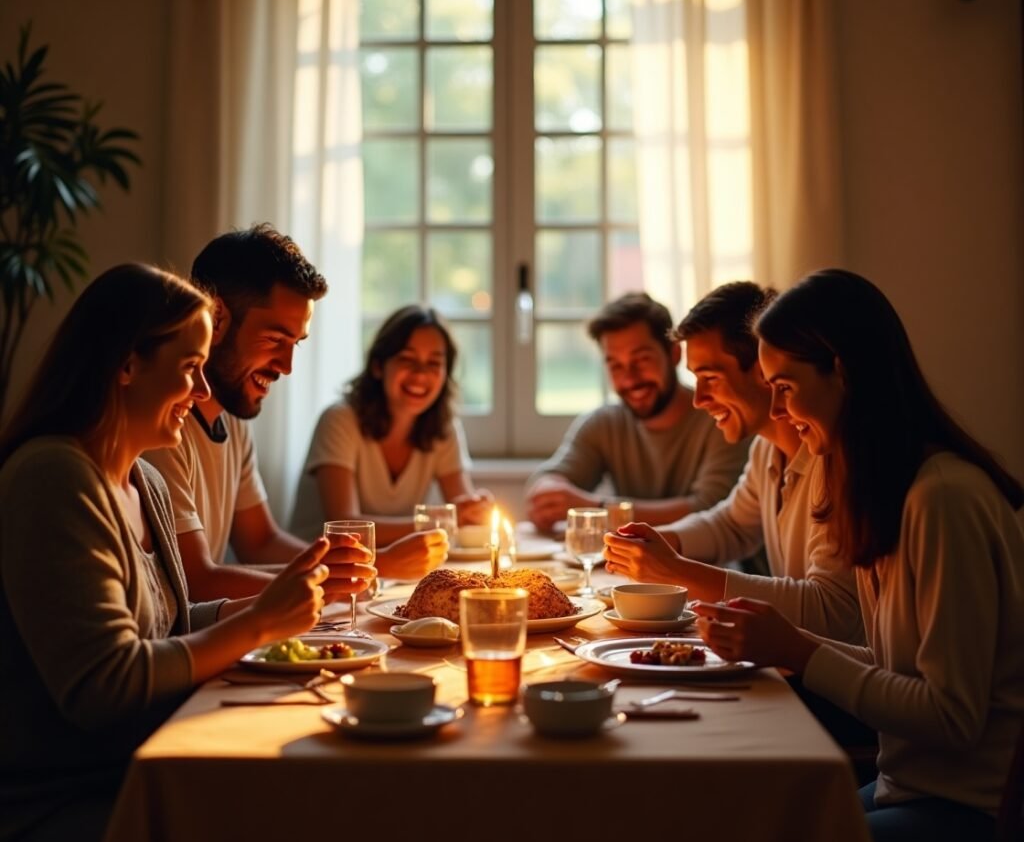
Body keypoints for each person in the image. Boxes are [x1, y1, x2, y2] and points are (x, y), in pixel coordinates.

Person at [0, 264, 372, 842]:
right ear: (125, 364)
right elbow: (105, 683)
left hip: (136, 765)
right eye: (190, 367)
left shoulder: (144, 481)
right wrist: (257, 624)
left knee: (324, 801)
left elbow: (167, 625)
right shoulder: (53, 478)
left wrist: (269, 607)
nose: (203, 390)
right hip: (59, 801)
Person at [691, 269, 1024, 842]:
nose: (776, 411)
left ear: (842, 372)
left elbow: (952, 717)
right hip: (908, 787)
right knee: (744, 836)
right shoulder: (882, 489)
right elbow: (895, 664)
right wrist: (784, 643)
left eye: (785, 387)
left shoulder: (942, 499)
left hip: (969, 814)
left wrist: (800, 651)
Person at [145, 225, 446, 599]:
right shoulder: (161, 425)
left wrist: (352, 566)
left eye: (295, 344)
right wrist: (366, 568)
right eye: (275, 339)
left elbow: (261, 542)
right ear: (216, 318)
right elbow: (195, 581)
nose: (286, 366)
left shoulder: (231, 421)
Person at [603, 281, 861, 643]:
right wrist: (663, 542)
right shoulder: (767, 449)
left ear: (763, 368)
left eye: (710, 378)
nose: (699, 399)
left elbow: (834, 612)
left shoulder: (835, 460)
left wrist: (676, 571)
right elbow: (732, 525)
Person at [526, 292, 750, 532]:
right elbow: (546, 479)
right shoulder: (604, 424)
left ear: (674, 354)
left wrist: (597, 508)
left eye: (642, 359)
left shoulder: (722, 418)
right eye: (616, 366)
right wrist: (548, 493)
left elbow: (710, 511)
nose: (630, 379)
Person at [291, 304, 492, 546]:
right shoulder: (340, 420)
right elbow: (345, 526)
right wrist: (440, 521)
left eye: (434, 363)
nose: (420, 374)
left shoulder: (443, 428)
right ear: (378, 366)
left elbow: (462, 514)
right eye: (407, 359)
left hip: (391, 565)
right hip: (316, 563)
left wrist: (475, 512)